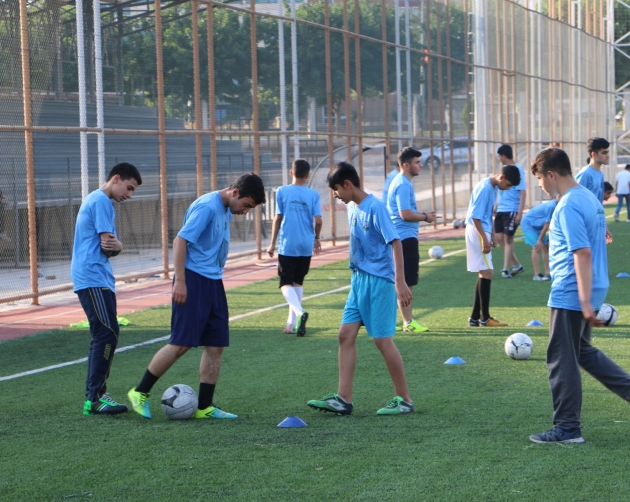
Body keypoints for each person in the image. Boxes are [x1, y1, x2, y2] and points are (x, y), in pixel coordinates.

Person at [529, 147, 630, 444]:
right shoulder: (588, 197)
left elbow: (582, 252)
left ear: (551, 174)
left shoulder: (568, 205)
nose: (540, 186)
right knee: (582, 351)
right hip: (592, 285)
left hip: (572, 289)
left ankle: (567, 428)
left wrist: (585, 302)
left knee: (561, 358)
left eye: (539, 179)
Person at [128, 173, 266, 420]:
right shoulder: (207, 206)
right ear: (235, 193)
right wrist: (180, 281)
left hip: (213, 282)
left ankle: (205, 406)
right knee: (181, 343)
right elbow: (180, 241)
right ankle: (140, 391)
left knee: (215, 345)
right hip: (192, 280)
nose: (246, 212)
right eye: (246, 205)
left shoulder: (225, 207)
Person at [307, 162, 415, 416]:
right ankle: (344, 398)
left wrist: (400, 282)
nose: (335, 196)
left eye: (336, 191)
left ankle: (405, 400)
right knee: (345, 334)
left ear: (347, 184)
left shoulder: (375, 207)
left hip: (379, 282)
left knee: (382, 341)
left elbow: (395, 242)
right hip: (358, 280)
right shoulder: (353, 207)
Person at [73, 162, 142, 416]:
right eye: (129, 187)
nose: (130, 195)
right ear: (116, 179)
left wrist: (117, 246)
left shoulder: (98, 199)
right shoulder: (101, 201)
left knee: (106, 333)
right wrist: (119, 245)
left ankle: (96, 396)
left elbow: (110, 246)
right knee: (107, 332)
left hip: (97, 276)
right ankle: (95, 398)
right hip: (92, 276)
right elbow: (108, 245)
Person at [267, 159, 322, 336]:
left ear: (291, 172)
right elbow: (319, 220)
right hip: (306, 244)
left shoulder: (282, 191)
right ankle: (291, 323)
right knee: (297, 281)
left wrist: (272, 243)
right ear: (307, 175)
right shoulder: (313, 194)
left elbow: (277, 218)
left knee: (285, 282)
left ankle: (299, 312)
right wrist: (317, 238)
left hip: (288, 243)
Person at [386, 147, 437, 332]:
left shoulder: (402, 182)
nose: (421, 165)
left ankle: (404, 321)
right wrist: (425, 217)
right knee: (405, 282)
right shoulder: (402, 184)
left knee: (404, 282)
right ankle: (408, 323)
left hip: (403, 237)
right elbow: (404, 213)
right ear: (406, 165)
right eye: (417, 162)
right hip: (404, 239)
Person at [466, 164, 521, 327]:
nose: (508, 188)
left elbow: (488, 213)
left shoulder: (492, 187)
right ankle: (485, 318)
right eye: (509, 184)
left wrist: (493, 236)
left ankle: (475, 318)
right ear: (501, 177)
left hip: (482, 230)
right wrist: (484, 238)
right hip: (477, 230)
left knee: (484, 272)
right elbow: (475, 217)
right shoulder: (485, 188)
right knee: (487, 272)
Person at [495, 144, 526, 279]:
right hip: (501, 209)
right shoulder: (503, 170)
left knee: (508, 238)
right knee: (499, 237)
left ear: (504, 156)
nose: (499, 159)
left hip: (512, 209)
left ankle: (506, 269)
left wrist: (520, 212)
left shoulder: (518, 170)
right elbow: (500, 189)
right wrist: (496, 204)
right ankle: (517, 265)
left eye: (499, 156)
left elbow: (523, 192)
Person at [576, 137, 613, 243]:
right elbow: (575, 200)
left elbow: (598, 203)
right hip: (585, 225)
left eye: (607, 152)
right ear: (594, 154)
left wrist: (604, 227)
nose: (608, 155)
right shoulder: (585, 174)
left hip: (596, 222)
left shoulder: (600, 174)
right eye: (604, 152)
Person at [520, 195, 557, 281]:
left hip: (538, 225)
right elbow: (547, 224)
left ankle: (548, 273)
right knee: (537, 246)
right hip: (528, 224)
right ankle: (537, 274)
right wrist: (539, 239)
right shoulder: (552, 206)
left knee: (546, 246)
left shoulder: (560, 206)